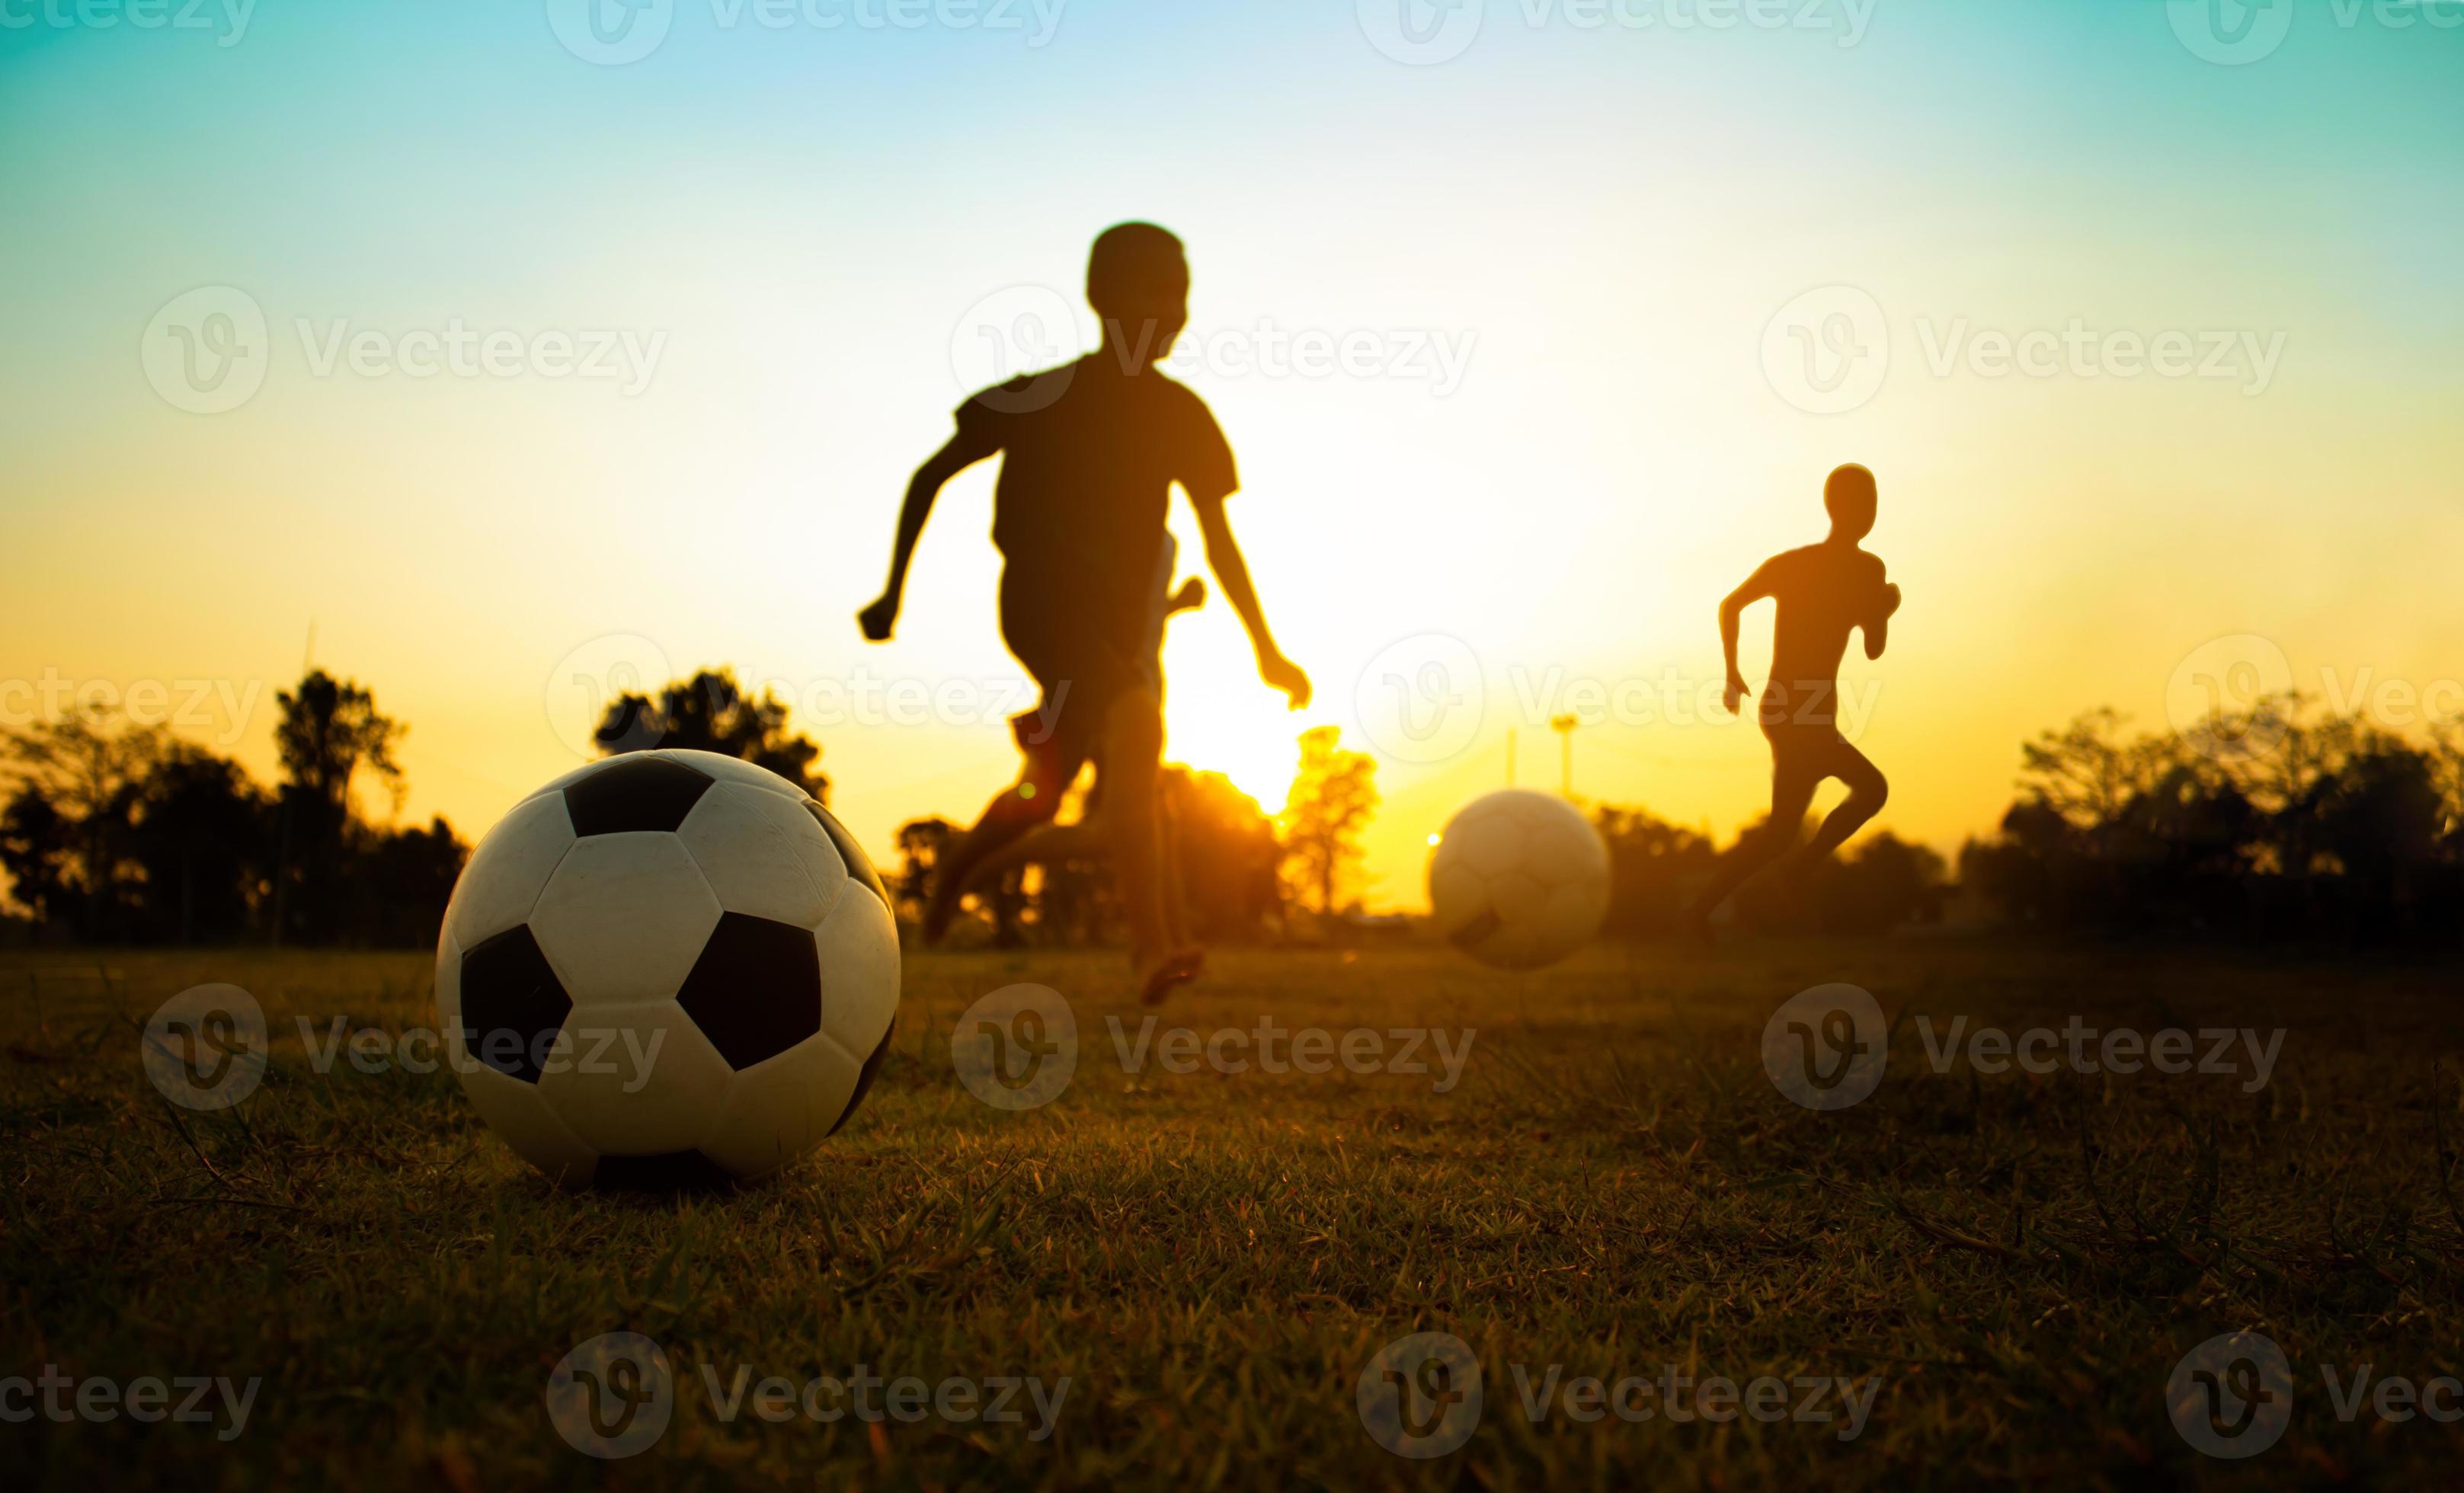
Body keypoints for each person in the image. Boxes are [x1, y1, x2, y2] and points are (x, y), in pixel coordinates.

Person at [859, 222, 1310, 1001]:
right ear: (1102, 297)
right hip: (1041, 606)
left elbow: (1221, 545)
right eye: (1153, 292)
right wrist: (894, 588)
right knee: (1138, 728)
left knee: (1051, 790)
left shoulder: (1182, 416)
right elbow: (931, 475)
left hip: (1115, 629)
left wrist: (1268, 651)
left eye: (1182, 296)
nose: (1172, 310)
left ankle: (964, 863)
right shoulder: (1043, 395)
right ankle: (1154, 948)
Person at [1686, 463, 1901, 937]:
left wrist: (1882, 612)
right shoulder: (1795, 564)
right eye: (1857, 505)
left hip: (1814, 711)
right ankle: (1797, 874)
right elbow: (1732, 604)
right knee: (1872, 789)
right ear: (1834, 507)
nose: (1865, 515)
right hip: (1789, 708)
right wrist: (1732, 671)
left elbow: (1871, 647)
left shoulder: (1870, 570)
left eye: (1872, 507)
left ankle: (1702, 910)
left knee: (1782, 830)